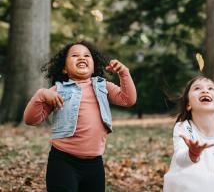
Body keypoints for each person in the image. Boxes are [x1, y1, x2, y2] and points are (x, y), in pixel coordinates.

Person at [24, 40, 137, 192]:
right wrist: (41, 94)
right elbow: (31, 120)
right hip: (63, 162)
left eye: (86, 55)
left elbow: (128, 99)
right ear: (64, 68)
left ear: (94, 65)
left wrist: (124, 73)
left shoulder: (103, 86)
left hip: (95, 165)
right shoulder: (57, 90)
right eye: (75, 55)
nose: (81, 57)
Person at [163, 76, 214, 192]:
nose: (205, 90)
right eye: (197, 88)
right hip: (187, 182)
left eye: (211, 88)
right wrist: (192, 154)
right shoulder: (184, 127)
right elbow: (180, 160)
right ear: (188, 105)